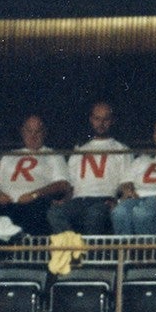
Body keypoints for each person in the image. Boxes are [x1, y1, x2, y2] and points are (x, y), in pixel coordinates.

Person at [48, 101, 129, 235]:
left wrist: (118, 202)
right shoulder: (80, 149)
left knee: (94, 216)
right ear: (91, 119)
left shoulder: (122, 149)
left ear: (112, 120)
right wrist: (65, 199)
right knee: (55, 213)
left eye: (106, 119)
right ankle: (74, 250)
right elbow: (72, 183)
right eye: (97, 118)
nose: (101, 123)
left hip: (103, 200)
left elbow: (126, 183)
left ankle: (92, 255)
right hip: (79, 200)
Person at [0, 114, 71, 237]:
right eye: (29, 131)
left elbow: (62, 184)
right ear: (22, 132)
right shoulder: (9, 156)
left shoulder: (53, 155)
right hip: (6, 205)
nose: (33, 136)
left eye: (38, 131)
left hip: (34, 204)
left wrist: (35, 195)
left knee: (35, 210)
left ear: (44, 133)